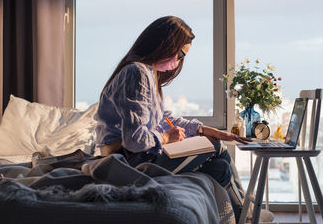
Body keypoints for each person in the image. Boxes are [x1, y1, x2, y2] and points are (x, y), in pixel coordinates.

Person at [95, 15, 251, 221]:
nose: (177, 62)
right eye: (179, 54)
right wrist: (166, 138)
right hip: (128, 160)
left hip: (136, 156)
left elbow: (162, 119)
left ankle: (242, 215)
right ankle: (247, 217)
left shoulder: (147, 72)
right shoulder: (136, 72)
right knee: (215, 147)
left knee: (220, 168)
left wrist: (204, 130)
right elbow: (134, 140)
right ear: (164, 44)